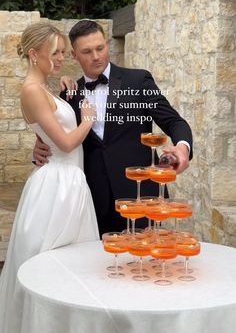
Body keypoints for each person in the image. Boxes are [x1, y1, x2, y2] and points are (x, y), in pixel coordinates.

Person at [34, 20, 193, 236]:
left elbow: (174, 122)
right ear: (74, 55)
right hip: (92, 200)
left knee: (144, 265)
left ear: (107, 44)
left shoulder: (138, 81)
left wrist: (183, 147)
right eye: (87, 51)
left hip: (141, 196)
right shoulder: (69, 94)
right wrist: (39, 149)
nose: (96, 56)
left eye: (100, 48)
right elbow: (57, 136)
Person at [0, 22, 99, 333]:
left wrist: (63, 92)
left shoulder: (42, 89)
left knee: (71, 265)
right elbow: (67, 143)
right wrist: (87, 120)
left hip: (69, 181)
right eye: (55, 53)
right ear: (33, 54)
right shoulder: (32, 90)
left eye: (63, 53)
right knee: (50, 264)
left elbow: (50, 131)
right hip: (57, 187)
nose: (60, 58)